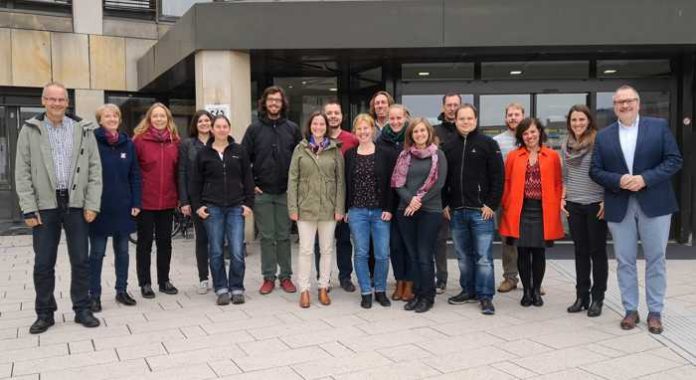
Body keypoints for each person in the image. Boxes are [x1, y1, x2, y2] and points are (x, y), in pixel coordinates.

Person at [590, 85, 682, 334]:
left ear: (638, 103)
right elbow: (595, 171)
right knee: (625, 261)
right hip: (620, 203)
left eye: (629, 101)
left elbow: (674, 160)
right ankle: (630, 310)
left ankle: (655, 312)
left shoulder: (658, 127)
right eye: (620, 102)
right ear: (615, 106)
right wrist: (619, 180)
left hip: (655, 202)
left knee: (656, 259)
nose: (625, 105)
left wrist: (645, 178)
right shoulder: (604, 135)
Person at [15, 82, 102, 333]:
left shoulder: (82, 129)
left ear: (67, 102)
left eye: (61, 99)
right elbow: (22, 173)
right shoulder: (30, 130)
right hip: (45, 206)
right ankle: (44, 313)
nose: (56, 104)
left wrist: (92, 204)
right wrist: (28, 208)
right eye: (51, 99)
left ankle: (82, 308)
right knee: (43, 263)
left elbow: (95, 170)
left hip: (76, 204)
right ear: (43, 101)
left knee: (81, 260)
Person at [442, 104, 503, 315]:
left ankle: (485, 296)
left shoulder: (488, 144)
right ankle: (467, 290)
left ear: (476, 120)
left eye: (469, 118)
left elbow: (498, 178)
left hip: (481, 211)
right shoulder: (448, 146)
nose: (465, 121)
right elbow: (443, 179)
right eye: (461, 118)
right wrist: (445, 204)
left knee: (483, 257)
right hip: (457, 211)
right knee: (462, 255)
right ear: (455, 120)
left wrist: (491, 205)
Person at [242, 86, 302, 295]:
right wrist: (251, 185)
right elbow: (243, 161)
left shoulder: (292, 129)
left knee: (284, 235)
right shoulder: (254, 129)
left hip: (286, 193)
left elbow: (301, 161)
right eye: (271, 100)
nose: (274, 103)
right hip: (263, 193)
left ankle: (285, 276)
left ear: (282, 103)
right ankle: (268, 277)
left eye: (278, 100)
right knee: (267, 237)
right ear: (265, 103)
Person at [190, 115, 254, 306]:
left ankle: (236, 287)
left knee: (236, 251)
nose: (221, 129)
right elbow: (195, 183)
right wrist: (198, 206)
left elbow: (248, 179)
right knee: (216, 251)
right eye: (218, 126)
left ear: (229, 128)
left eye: (225, 126)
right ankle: (221, 288)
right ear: (212, 129)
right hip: (213, 208)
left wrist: (249, 204)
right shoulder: (203, 153)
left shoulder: (239, 151)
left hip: (235, 207)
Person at [499, 118, 563, 308]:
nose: (530, 136)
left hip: (543, 209)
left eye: (533, 132)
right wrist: (507, 202)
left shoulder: (551, 155)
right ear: (521, 136)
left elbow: (558, 182)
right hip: (520, 209)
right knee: (523, 251)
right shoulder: (513, 156)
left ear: (540, 133)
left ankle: (537, 290)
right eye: (525, 133)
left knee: (539, 252)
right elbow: (507, 182)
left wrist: (557, 201)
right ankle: (526, 291)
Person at [287, 112, 345, 308]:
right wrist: (293, 207)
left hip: (329, 208)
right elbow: (292, 179)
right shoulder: (300, 149)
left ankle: (323, 287)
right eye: (315, 123)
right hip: (305, 208)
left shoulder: (335, 149)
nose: (318, 127)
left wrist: (339, 208)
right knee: (305, 250)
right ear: (310, 126)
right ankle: (304, 289)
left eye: (322, 124)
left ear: (326, 127)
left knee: (327, 249)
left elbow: (340, 182)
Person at [88, 104, 141, 313]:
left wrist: (136, 202)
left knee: (123, 252)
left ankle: (121, 290)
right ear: (100, 120)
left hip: (123, 206)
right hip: (98, 207)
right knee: (97, 254)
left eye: (115, 115)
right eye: (107, 116)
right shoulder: (91, 141)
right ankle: (95, 295)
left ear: (119, 119)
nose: (111, 118)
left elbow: (135, 175)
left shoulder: (128, 144)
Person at [392, 117, 447, 313]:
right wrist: (411, 201)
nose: (419, 134)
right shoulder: (404, 155)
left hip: (429, 211)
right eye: (415, 131)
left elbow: (439, 183)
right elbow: (398, 183)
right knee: (413, 255)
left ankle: (428, 296)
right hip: (405, 210)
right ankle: (417, 293)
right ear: (411, 135)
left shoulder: (438, 155)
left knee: (424, 255)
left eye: (423, 131)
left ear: (429, 133)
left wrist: (418, 201)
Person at [345, 114, 397, 308]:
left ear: (372, 130)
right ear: (355, 132)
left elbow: (391, 184)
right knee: (361, 253)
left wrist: (389, 208)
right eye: (359, 129)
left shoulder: (384, 153)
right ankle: (366, 291)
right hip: (357, 212)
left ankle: (380, 290)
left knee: (382, 253)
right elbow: (345, 184)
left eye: (366, 128)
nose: (363, 132)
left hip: (379, 212)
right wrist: (346, 208)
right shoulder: (349, 155)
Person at [561, 105, 607, 317]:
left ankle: (598, 298)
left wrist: (606, 200)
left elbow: (609, 171)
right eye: (574, 120)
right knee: (580, 251)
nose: (577, 123)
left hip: (595, 204)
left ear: (589, 121)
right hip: (574, 205)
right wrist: (563, 198)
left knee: (597, 252)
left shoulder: (599, 142)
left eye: (581, 119)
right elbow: (566, 176)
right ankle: (582, 296)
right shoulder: (566, 145)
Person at [133, 102, 180, 298]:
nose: (159, 119)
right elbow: (133, 172)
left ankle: (164, 280)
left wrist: (179, 197)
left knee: (165, 243)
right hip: (146, 201)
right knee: (144, 243)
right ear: (149, 119)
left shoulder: (175, 141)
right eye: (155, 116)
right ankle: (145, 283)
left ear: (168, 119)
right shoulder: (139, 141)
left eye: (163, 116)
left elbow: (179, 172)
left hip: (168, 201)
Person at [377, 104, 412, 301]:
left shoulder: (412, 138)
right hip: (390, 202)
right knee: (396, 245)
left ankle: (410, 283)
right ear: (388, 119)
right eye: (393, 118)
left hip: (410, 201)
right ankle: (399, 281)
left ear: (405, 117)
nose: (396, 121)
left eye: (400, 118)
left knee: (410, 244)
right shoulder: (381, 141)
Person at [322, 100, 358, 292]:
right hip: (323, 200)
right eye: (329, 113)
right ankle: (324, 279)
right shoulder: (317, 138)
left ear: (342, 116)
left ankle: (345, 277)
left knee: (344, 241)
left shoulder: (352, 139)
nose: (333, 116)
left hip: (345, 199)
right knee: (323, 243)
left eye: (336, 112)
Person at [178, 110, 213, 295]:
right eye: (200, 121)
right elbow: (182, 172)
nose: (204, 123)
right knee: (202, 240)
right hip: (197, 199)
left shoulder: (219, 142)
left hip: (217, 199)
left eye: (207, 120)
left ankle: (219, 276)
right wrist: (184, 201)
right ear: (195, 124)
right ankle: (203, 278)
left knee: (217, 240)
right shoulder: (187, 144)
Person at [494, 103, 525, 293]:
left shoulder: (531, 138)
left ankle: (532, 278)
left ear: (523, 116)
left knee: (530, 240)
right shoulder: (497, 141)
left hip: (529, 198)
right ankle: (510, 277)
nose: (513, 118)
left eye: (517, 114)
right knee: (508, 240)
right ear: (506, 118)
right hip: (505, 198)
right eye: (510, 115)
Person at [433, 92, 461, 293]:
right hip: (441, 197)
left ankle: (468, 281)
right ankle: (441, 278)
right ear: (443, 107)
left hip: (462, 196)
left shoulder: (466, 131)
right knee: (440, 240)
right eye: (449, 105)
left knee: (463, 242)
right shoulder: (435, 132)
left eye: (455, 104)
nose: (452, 108)